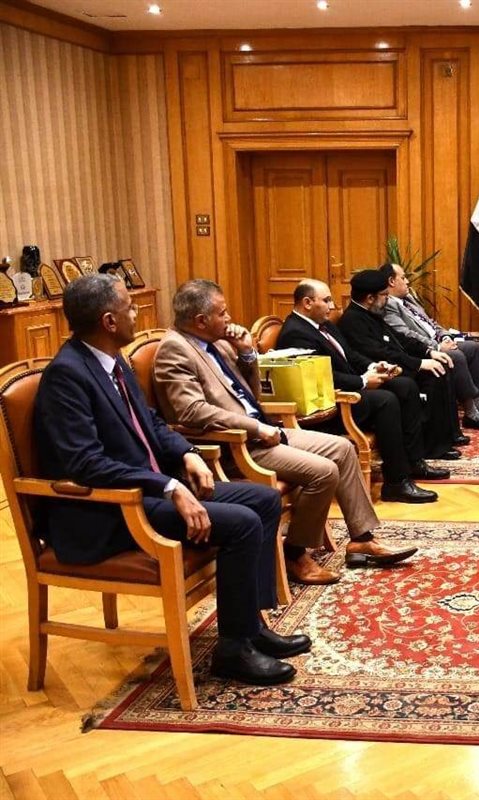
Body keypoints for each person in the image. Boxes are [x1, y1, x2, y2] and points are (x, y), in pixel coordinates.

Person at [34, 274, 306, 686]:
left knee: (263, 500)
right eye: (129, 307)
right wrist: (168, 485)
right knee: (242, 523)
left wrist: (187, 453)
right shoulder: (67, 376)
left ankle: (251, 625)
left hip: (150, 488)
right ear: (109, 321)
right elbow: (85, 463)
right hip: (112, 509)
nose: (136, 313)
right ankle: (233, 651)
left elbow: (152, 423)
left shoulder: (113, 361)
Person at [153, 279, 418, 585]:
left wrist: (247, 355)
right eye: (222, 313)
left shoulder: (219, 343)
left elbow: (251, 395)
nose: (229, 318)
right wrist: (255, 427)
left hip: (265, 431)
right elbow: (192, 412)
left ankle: (362, 539)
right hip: (235, 446)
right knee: (324, 471)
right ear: (201, 320)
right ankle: (295, 553)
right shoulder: (174, 350)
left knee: (344, 449)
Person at [277, 279, 447, 503]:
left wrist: (374, 366)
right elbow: (321, 377)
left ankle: (413, 461)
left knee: (404, 385)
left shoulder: (323, 324)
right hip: (330, 404)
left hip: (348, 388)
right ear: (307, 303)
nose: (332, 306)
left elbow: (351, 356)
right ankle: (396, 482)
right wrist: (363, 381)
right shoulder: (295, 334)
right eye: (326, 300)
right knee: (385, 401)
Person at [338, 269, 465, 460]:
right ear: (370, 298)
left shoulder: (371, 312)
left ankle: (445, 438)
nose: (387, 299)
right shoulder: (352, 321)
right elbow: (380, 353)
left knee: (440, 367)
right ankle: (429, 447)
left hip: (396, 363)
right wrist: (419, 363)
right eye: (384, 295)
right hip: (380, 371)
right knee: (430, 375)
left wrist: (429, 352)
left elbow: (398, 339)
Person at [379, 262, 479, 430]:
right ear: (391, 281)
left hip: (437, 341)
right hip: (422, 350)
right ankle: (471, 413)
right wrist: (438, 346)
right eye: (403, 278)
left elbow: (430, 323)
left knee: (472, 348)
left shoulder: (409, 298)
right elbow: (405, 334)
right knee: (456, 356)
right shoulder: (388, 305)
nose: (407, 281)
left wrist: (445, 336)